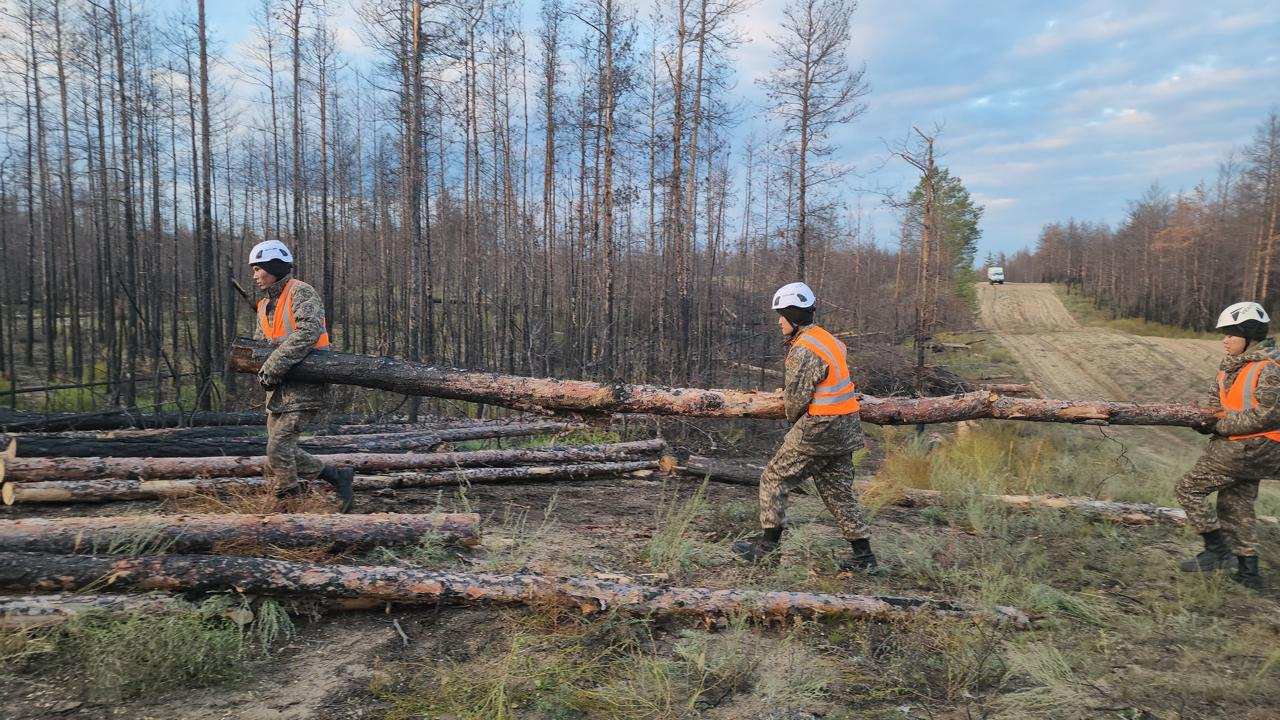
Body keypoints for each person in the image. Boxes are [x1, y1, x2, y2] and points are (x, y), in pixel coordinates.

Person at [731, 281, 877, 572]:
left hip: (820, 427)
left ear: (793, 316)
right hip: (847, 427)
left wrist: (789, 413)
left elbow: (795, 403)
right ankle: (864, 557)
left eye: (782, 316)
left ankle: (767, 549)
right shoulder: (829, 339)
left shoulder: (803, 349)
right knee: (838, 492)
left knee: (773, 478)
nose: (779, 321)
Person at [1176, 301, 1279, 589]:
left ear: (1249, 337)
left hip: (1250, 448)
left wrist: (1219, 424)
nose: (1224, 340)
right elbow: (1214, 406)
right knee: (1236, 505)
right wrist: (1202, 419)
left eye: (1230, 335)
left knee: (1188, 489)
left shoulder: (1269, 368)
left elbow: (1267, 415)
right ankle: (1249, 574)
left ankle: (1217, 551)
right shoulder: (1229, 367)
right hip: (1246, 447)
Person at [249, 239, 355, 512]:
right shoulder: (263, 305)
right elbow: (261, 348)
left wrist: (274, 365)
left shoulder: (302, 292)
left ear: (273, 267)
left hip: (306, 386)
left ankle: (290, 506)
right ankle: (337, 477)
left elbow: (308, 332)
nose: (255, 275)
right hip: (278, 390)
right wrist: (262, 371)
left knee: (278, 448)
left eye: (258, 269)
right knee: (280, 450)